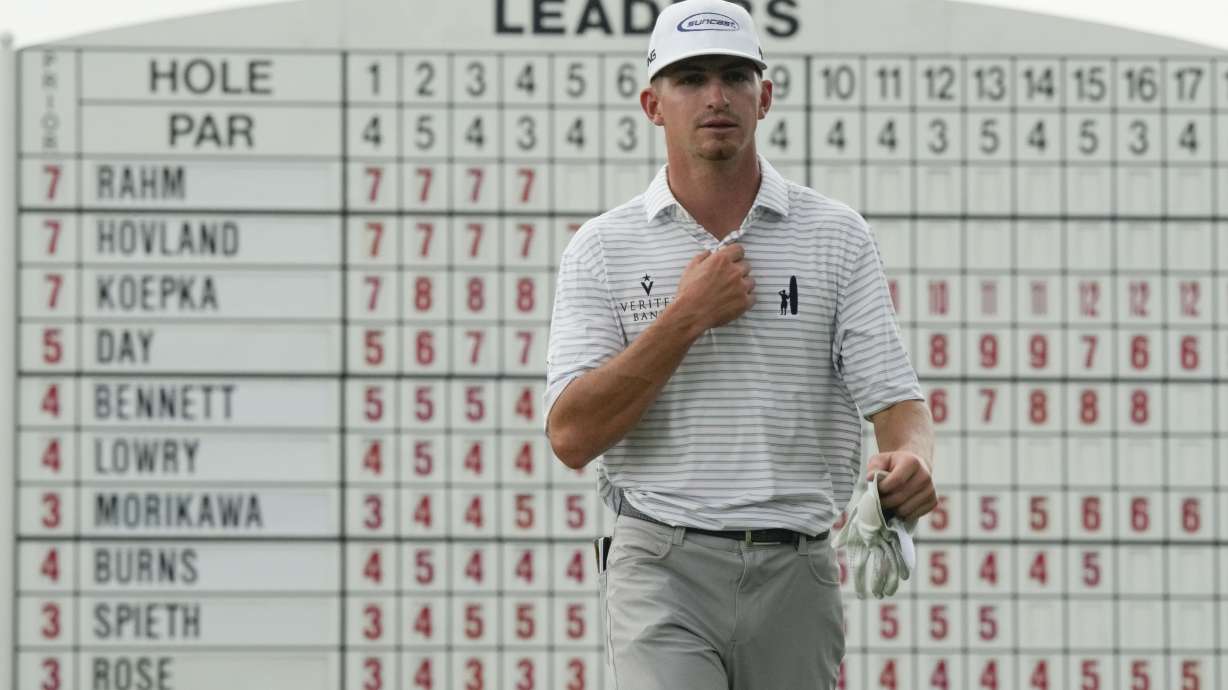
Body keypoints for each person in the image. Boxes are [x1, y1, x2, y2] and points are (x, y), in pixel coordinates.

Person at [543, 0, 937, 687]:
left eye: (735, 75)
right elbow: (572, 435)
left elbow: (897, 407)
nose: (716, 96)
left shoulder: (837, 235)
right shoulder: (600, 249)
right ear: (652, 103)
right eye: (690, 78)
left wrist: (909, 462)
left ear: (766, 96)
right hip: (659, 563)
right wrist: (685, 317)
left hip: (800, 567)